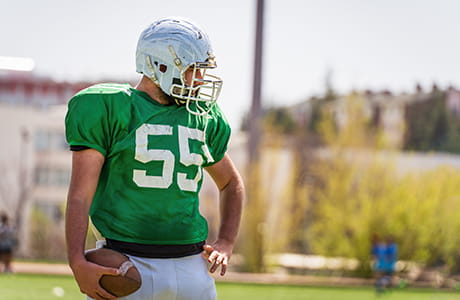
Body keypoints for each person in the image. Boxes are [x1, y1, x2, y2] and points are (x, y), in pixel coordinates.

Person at [65, 17, 244, 300]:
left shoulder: (203, 117)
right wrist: (76, 259)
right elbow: (80, 195)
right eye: (193, 70)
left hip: (191, 265)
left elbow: (231, 184)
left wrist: (226, 241)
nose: (200, 79)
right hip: (126, 262)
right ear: (161, 65)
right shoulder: (112, 109)